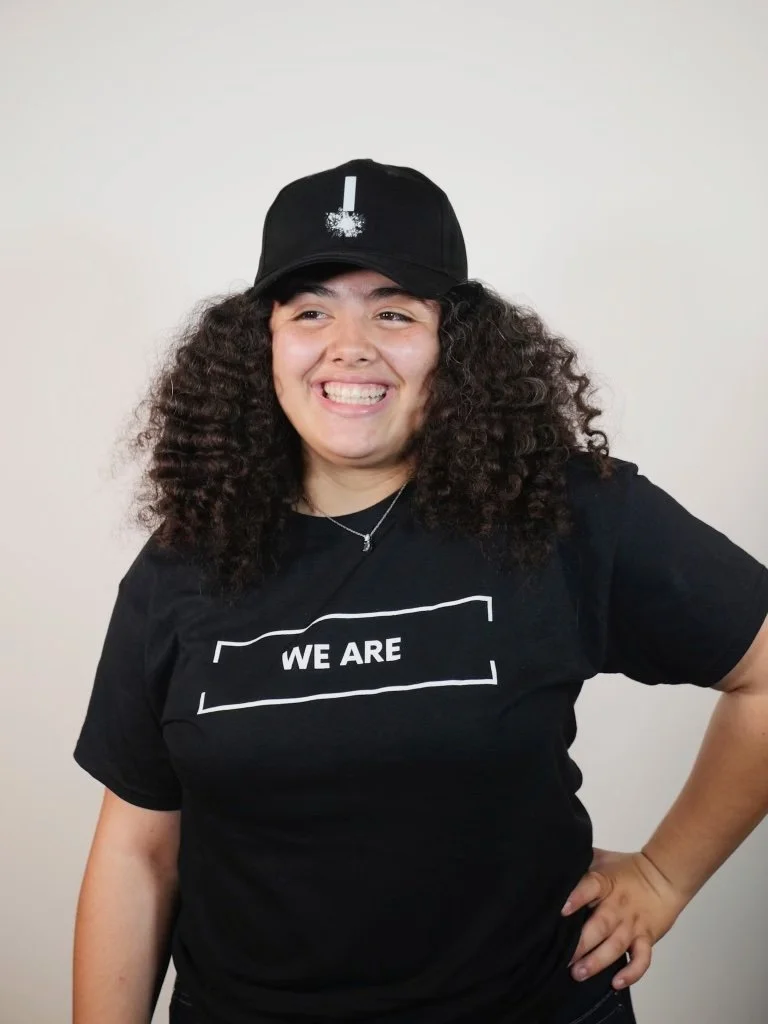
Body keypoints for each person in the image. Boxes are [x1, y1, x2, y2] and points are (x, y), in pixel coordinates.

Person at [72, 158, 768, 1024]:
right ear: (263, 344)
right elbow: (140, 849)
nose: (348, 345)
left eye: (393, 311)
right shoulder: (184, 563)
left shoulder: (565, 514)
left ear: (457, 343)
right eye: (310, 311)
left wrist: (664, 876)